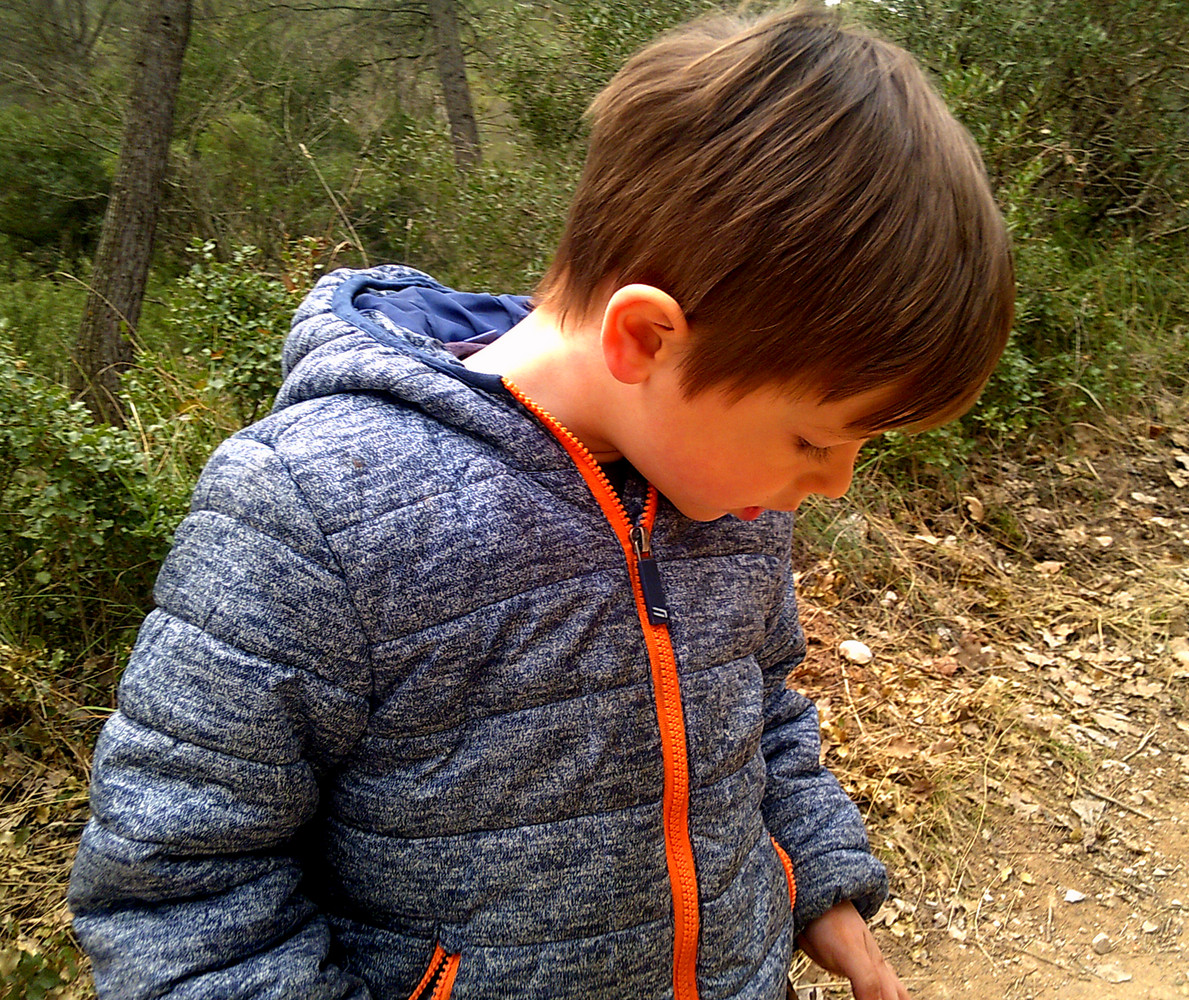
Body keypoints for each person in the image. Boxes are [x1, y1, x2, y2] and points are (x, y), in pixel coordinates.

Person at [67, 6, 1013, 1000]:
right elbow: (181, 893)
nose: (834, 482)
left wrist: (817, 880)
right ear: (646, 339)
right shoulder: (314, 511)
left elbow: (759, 709)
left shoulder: (728, 500)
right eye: (814, 440)